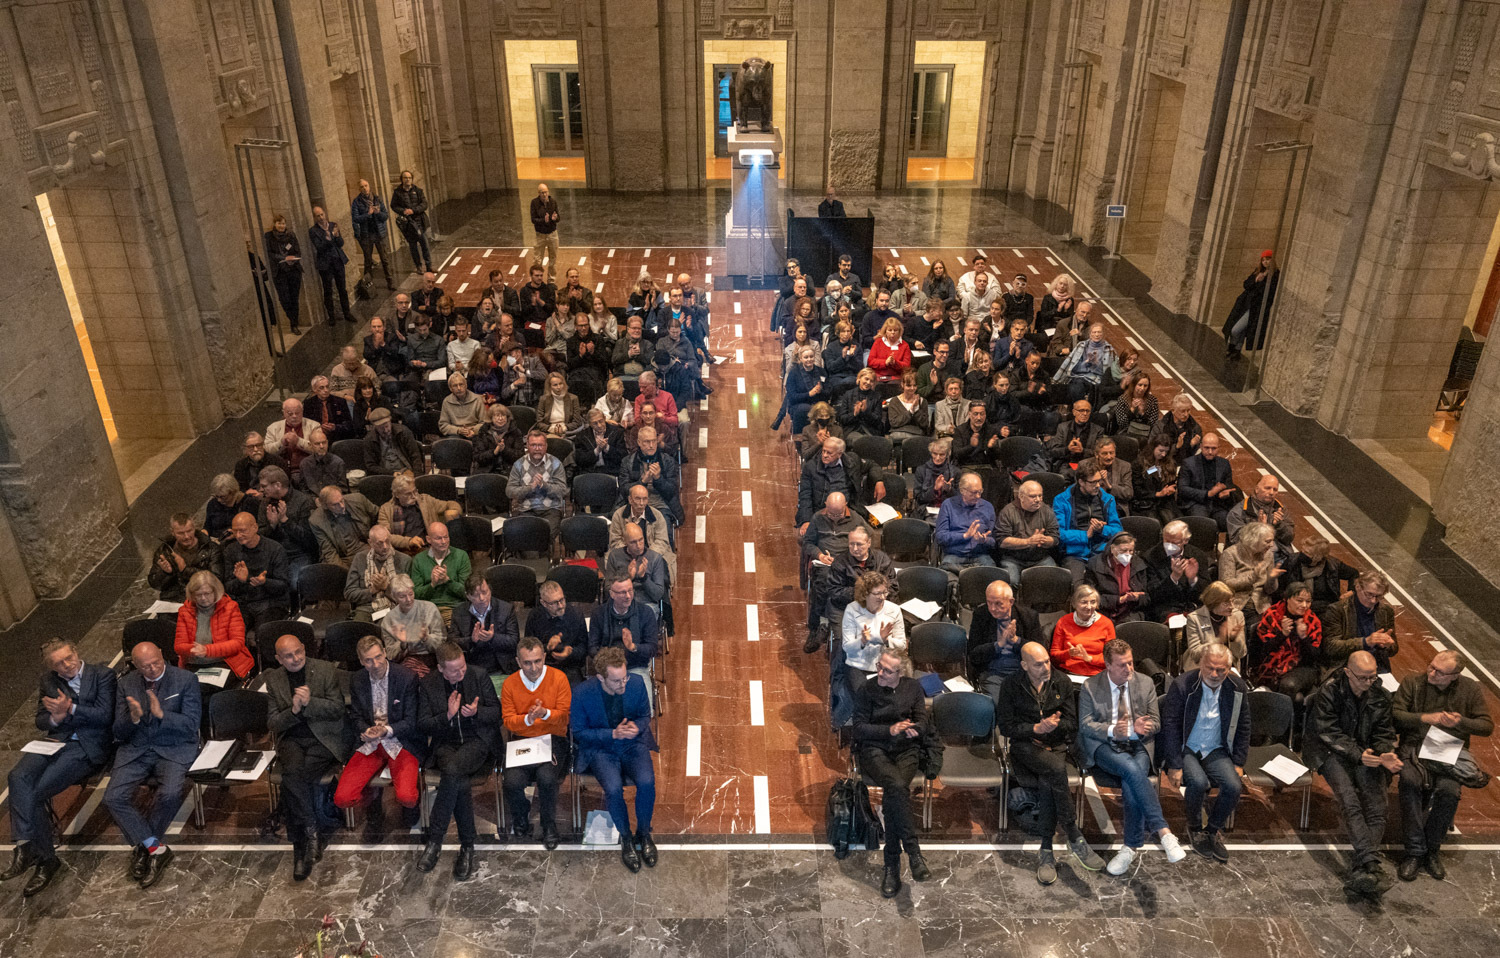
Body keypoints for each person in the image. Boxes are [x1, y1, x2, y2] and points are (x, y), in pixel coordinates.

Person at [2, 639, 117, 897]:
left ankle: (46, 860)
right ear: (51, 667)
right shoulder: (48, 681)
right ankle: (24, 844)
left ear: (76, 652)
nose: (66, 665)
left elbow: (104, 716)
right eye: (59, 664)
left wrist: (70, 708)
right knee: (17, 776)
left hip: (87, 744)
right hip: (57, 740)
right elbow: (40, 720)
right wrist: (55, 718)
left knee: (36, 792)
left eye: (68, 658)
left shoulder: (102, 675)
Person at [995, 641, 1104, 883]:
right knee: (1055, 768)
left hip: (1056, 745)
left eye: (1047, 661)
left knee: (1050, 777)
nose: (1045, 667)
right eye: (1038, 664)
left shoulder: (1061, 681)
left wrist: (1053, 726)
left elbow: (1072, 723)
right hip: (1026, 746)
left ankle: (1046, 849)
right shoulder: (1011, 685)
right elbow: (1007, 727)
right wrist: (1035, 728)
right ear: (1024, 666)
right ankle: (1073, 832)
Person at [1078, 638, 1187, 874]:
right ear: (1108, 665)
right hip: (1105, 745)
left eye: (1130, 663)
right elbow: (1085, 725)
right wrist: (1112, 730)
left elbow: (1156, 722)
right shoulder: (1090, 686)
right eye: (1122, 665)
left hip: (1139, 744)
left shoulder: (1145, 683)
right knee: (1132, 770)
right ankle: (1163, 831)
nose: (1129, 669)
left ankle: (1129, 847)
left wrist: (1142, 728)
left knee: (1131, 781)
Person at [1304, 651, 1402, 899]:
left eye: (1372, 677)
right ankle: (1370, 863)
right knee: (1350, 801)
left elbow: (1383, 732)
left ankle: (1364, 867)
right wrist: (1359, 754)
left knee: (1377, 806)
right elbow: (1327, 731)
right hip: (1330, 751)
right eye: (1363, 678)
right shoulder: (1329, 691)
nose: (1369, 682)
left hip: (1365, 751)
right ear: (1348, 673)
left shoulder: (1381, 695)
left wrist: (1385, 752)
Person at [103, 641, 200, 889]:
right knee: (113, 797)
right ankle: (154, 848)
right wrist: (133, 718)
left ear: (162, 655)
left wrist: (162, 715)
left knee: (170, 794)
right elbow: (118, 730)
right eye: (145, 666)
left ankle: (145, 847)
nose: (153, 669)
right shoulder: (126, 684)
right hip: (136, 749)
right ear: (135, 665)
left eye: (156, 662)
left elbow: (191, 725)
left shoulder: (186, 680)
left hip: (173, 747)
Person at [1393, 650, 1494, 882]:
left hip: (1447, 748)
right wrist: (1425, 718)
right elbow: (1396, 715)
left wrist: (1461, 721)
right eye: (1431, 666)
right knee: (1410, 782)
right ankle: (1415, 851)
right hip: (1415, 745)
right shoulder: (1413, 682)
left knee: (1449, 791)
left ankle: (1432, 849)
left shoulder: (1469, 688)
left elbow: (1486, 726)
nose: (1432, 673)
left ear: (1455, 676)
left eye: (1440, 672)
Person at [850, 649, 941, 897]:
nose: (880, 672)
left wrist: (915, 729)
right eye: (879, 666)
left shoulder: (912, 688)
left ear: (900, 673)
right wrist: (889, 730)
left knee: (895, 792)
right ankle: (913, 851)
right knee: (897, 787)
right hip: (875, 749)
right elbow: (858, 729)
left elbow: (922, 720)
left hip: (906, 750)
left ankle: (892, 865)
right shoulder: (866, 690)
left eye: (887, 671)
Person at [265, 634, 349, 880]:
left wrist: (310, 703)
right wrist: (293, 710)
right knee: (293, 775)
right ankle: (312, 831)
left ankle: (300, 847)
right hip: (292, 738)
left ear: (304, 648)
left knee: (292, 781)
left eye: (298, 652)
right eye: (288, 656)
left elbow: (337, 709)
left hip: (323, 738)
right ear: (279, 659)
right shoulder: (274, 679)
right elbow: (273, 723)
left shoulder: (324, 669)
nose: (295, 658)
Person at [1159, 644, 1251, 863]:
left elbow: (1244, 724)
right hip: (1187, 747)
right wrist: (1174, 764)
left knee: (1233, 786)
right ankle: (1194, 827)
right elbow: (1170, 725)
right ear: (1200, 663)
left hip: (1216, 748)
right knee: (1199, 782)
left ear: (1229, 669)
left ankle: (1211, 830)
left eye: (1221, 670)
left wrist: (1238, 762)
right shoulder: (1183, 685)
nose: (1214, 674)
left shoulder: (1237, 688)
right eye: (1210, 668)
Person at [417, 642, 500, 881]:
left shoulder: (479, 675)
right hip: (446, 743)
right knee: (458, 780)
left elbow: (497, 713)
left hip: (477, 741)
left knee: (452, 771)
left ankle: (435, 841)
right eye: (454, 671)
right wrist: (448, 716)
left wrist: (476, 712)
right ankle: (467, 846)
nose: (461, 673)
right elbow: (422, 724)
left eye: (462, 667)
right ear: (441, 669)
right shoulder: (428, 683)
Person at [572, 647, 658, 870]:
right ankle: (626, 837)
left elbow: (644, 715)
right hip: (602, 749)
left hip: (632, 744)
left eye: (625, 677)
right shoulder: (582, 693)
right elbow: (579, 733)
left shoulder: (636, 683)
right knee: (613, 788)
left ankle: (643, 833)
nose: (623, 684)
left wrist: (636, 727)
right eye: (617, 681)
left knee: (647, 782)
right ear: (601, 678)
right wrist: (612, 734)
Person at [335, 636, 422, 836]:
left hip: (400, 741)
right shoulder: (357, 679)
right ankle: (372, 802)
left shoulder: (406, 677)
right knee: (343, 798)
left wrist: (387, 730)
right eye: (368, 660)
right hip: (371, 743)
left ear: (385, 652)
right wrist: (365, 730)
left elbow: (412, 721)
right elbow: (356, 716)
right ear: (361, 661)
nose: (375, 664)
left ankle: (410, 806)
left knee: (407, 797)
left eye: (378, 657)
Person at [501, 637, 572, 848]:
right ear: (518, 661)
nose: (533, 668)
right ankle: (521, 816)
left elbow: (564, 717)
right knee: (511, 782)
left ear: (544, 657)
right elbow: (508, 721)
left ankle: (549, 824)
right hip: (522, 741)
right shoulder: (510, 683)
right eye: (527, 663)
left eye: (538, 661)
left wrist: (545, 713)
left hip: (552, 739)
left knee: (547, 778)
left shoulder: (559, 678)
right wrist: (528, 719)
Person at [811, 525, 893, 653]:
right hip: (843, 607)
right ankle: (839, 666)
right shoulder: (840, 562)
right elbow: (834, 591)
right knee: (843, 642)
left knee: (887, 639)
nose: (854, 548)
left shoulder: (882, 560)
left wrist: (875, 601)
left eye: (859, 544)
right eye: (851, 544)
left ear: (869, 543)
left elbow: (892, 586)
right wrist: (863, 594)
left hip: (876, 607)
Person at [588, 577, 661, 707]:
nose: (628, 596)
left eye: (630, 590)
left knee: (645, 708)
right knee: (597, 709)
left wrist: (633, 647)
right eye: (622, 592)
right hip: (607, 669)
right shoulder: (599, 613)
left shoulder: (645, 613)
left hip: (635, 667)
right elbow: (592, 647)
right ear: (612, 594)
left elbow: (652, 648)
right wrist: (609, 659)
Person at [1250, 582, 1323, 706]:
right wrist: (1282, 634)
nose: (1304, 605)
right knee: (1295, 696)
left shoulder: (1312, 621)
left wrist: (1303, 638)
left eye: (1308, 601)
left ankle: (1281, 717)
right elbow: (1261, 652)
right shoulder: (1272, 615)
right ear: (1287, 599)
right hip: (1270, 665)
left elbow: (1313, 659)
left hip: (1303, 668)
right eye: (1299, 600)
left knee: (1288, 685)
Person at [173, 571, 254, 678]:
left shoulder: (230, 607)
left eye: (207, 593)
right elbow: (179, 646)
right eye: (198, 594)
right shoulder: (184, 611)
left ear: (215, 591)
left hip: (225, 661)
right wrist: (194, 650)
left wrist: (207, 650)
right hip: (195, 662)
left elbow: (237, 643)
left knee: (204, 686)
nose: (203, 598)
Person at [1053, 457, 1122, 582]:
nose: (1098, 485)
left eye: (1099, 481)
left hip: (1101, 551)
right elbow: (1058, 533)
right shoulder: (1062, 500)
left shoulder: (1107, 499)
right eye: (1093, 482)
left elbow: (1118, 530)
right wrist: (1086, 535)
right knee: (1078, 586)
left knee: (1108, 585)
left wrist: (1102, 529)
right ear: (1081, 482)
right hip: (1075, 553)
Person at [840, 571, 906, 702]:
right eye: (877, 593)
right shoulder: (852, 609)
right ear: (865, 594)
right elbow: (847, 647)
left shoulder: (894, 610)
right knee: (865, 699)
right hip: (859, 666)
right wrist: (862, 641)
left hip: (887, 666)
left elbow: (902, 645)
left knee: (892, 700)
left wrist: (886, 641)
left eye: (884, 592)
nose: (882, 597)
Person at [968, 579, 1042, 694]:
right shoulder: (981, 615)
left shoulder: (1028, 616)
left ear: (1011, 602)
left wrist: (1016, 640)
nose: (992, 608)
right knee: (1000, 702)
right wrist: (998, 645)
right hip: (993, 673)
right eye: (989, 603)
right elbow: (973, 654)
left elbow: (1040, 652)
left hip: (1024, 672)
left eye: (998, 603)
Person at [1320, 571, 1399, 677]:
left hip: (1376, 667)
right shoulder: (1337, 610)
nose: (1373, 600)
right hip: (1345, 667)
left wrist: (1386, 646)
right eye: (1369, 594)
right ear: (1358, 587)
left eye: (1379, 596)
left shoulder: (1386, 611)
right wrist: (1365, 642)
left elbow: (1394, 649)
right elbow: (1331, 647)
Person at [222, 512, 291, 632]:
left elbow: (283, 585)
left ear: (255, 528)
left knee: (263, 632)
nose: (238, 535)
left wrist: (265, 582)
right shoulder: (231, 551)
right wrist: (240, 581)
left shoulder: (275, 549)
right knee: (234, 632)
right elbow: (227, 587)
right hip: (244, 602)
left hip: (271, 602)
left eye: (242, 531)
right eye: (235, 531)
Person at [1140, 520, 1215, 624]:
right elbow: (1152, 594)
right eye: (1167, 541)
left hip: (1192, 605)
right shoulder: (1149, 557)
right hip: (1165, 607)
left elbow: (1207, 591)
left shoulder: (1197, 555)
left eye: (1175, 543)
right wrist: (1173, 578)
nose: (1170, 546)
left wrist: (1193, 579)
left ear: (1185, 541)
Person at [253, 466, 319, 575]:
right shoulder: (265, 503)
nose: (260, 490)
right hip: (273, 554)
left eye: (264, 486)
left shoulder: (304, 502)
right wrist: (272, 526)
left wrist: (285, 521)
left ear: (278, 485)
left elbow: (309, 540)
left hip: (298, 555)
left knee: (296, 581)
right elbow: (260, 535)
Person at [996, 479, 1060, 587]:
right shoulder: (1008, 512)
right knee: (1011, 581)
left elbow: (1055, 538)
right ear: (1021, 496)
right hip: (1013, 559)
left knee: (1053, 579)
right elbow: (1002, 541)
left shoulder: (1047, 511)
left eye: (1040, 496)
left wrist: (1045, 540)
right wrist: (1028, 542)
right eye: (1033, 496)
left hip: (1040, 558)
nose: (1038, 500)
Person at [526, 580, 590, 685]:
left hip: (570, 666)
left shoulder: (576, 614)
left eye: (562, 600)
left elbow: (584, 647)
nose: (560, 605)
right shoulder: (535, 616)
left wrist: (570, 653)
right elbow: (528, 649)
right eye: (554, 603)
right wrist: (547, 648)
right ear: (543, 603)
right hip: (543, 666)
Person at [377, 473, 461, 553]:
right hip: (402, 551)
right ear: (397, 495)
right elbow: (385, 536)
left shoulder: (425, 500)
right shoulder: (386, 509)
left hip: (427, 547)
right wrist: (408, 542)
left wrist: (454, 509)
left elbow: (450, 504)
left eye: (415, 491)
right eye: (408, 494)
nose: (414, 496)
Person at [147, 513, 221, 603]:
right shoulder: (164, 550)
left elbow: (216, 580)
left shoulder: (210, 548)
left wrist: (185, 570)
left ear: (194, 528)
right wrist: (165, 573)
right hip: (173, 599)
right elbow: (154, 584)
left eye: (189, 531)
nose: (186, 536)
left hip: (203, 597)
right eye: (181, 533)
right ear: (172, 532)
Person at [619, 425, 683, 524]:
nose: (651, 445)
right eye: (647, 442)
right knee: (625, 527)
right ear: (639, 442)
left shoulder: (667, 461)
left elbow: (672, 491)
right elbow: (624, 490)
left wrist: (658, 479)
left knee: (664, 526)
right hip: (635, 505)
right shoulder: (627, 462)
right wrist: (642, 482)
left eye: (654, 441)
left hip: (660, 504)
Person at [345, 525, 411, 621]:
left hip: (393, 608)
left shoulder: (404, 560)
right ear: (370, 543)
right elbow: (349, 593)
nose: (385, 546)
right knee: (357, 628)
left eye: (387, 541)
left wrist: (386, 587)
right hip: (366, 609)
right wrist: (372, 591)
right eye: (380, 543)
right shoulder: (360, 559)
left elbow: (408, 597)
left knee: (385, 626)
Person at [1283, 535, 1359, 617]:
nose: (1302, 554)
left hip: (1324, 609)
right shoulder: (1291, 561)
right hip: (1296, 606)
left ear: (1318, 556)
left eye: (1307, 553)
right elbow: (1281, 587)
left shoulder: (1333, 565)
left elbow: (1354, 574)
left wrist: (1351, 591)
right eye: (1303, 550)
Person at [935, 472, 996, 573]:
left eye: (980, 491)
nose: (978, 496)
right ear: (962, 490)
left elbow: (994, 541)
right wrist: (964, 536)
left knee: (994, 576)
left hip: (980, 556)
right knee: (947, 578)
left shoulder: (987, 507)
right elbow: (940, 537)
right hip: (954, 556)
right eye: (974, 492)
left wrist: (984, 540)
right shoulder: (948, 505)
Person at [1219, 521, 1282, 619]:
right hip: (1236, 606)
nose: (1272, 545)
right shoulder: (1230, 554)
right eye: (1268, 541)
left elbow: (1269, 591)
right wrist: (1253, 577)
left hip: (1261, 607)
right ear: (1254, 540)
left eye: (1272, 541)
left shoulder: (1268, 554)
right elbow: (1226, 585)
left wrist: (1272, 579)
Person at [1222, 250, 1278, 357]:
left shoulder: (1275, 275)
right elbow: (1246, 284)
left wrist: (1262, 280)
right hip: (1245, 303)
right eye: (1263, 260)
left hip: (1256, 307)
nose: (1265, 262)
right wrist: (1256, 280)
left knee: (1236, 330)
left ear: (1272, 260)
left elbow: (1268, 293)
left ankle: (1232, 347)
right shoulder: (1258, 271)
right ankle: (1236, 350)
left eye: (1268, 259)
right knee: (1240, 328)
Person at [1182, 581, 1247, 671]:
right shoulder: (1194, 618)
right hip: (1201, 667)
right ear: (1213, 603)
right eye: (1226, 603)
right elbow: (1195, 654)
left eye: (1232, 601)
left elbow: (1241, 654)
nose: (1232, 606)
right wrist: (1219, 639)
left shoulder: (1237, 616)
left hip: (1227, 667)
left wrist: (1234, 639)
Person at [1085, 532, 1150, 623]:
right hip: (1104, 611)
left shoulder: (1139, 564)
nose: (1128, 554)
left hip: (1130, 611)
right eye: (1123, 551)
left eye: (1131, 551)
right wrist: (1119, 600)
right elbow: (1089, 597)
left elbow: (1147, 597)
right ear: (1112, 549)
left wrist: (1137, 598)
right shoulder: (1095, 564)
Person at [1178, 433, 1237, 530]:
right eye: (1206, 448)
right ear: (1201, 446)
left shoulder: (1224, 464)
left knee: (1231, 522)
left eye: (1213, 448)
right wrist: (1207, 494)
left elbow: (1228, 485)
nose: (1210, 452)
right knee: (1203, 524)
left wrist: (1226, 493)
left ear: (1218, 448)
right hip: (1196, 503)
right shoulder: (1188, 463)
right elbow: (1182, 489)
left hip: (1217, 504)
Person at [411, 521, 470, 617]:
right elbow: (415, 595)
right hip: (428, 610)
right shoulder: (419, 559)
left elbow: (467, 592)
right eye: (438, 538)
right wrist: (432, 585)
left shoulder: (461, 556)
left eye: (446, 537)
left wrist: (447, 581)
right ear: (428, 539)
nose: (443, 542)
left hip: (454, 608)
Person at [604, 522, 671, 605]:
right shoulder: (615, 556)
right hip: (621, 602)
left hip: (646, 603)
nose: (638, 545)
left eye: (641, 540)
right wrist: (629, 578)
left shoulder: (655, 558)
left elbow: (657, 595)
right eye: (633, 542)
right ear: (625, 542)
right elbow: (608, 590)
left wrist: (643, 578)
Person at [307, 205, 354, 324]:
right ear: (315, 217)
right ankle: (331, 316)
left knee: (342, 289)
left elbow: (340, 243)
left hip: (337, 260)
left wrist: (336, 236)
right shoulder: (313, 231)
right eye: (318, 216)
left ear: (325, 213)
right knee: (328, 290)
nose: (321, 217)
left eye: (322, 214)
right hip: (325, 264)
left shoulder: (333, 225)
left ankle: (347, 313)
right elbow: (319, 247)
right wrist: (328, 239)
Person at [309, 486, 377, 566]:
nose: (342, 506)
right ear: (325, 506)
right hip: (343, 557)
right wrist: (344, 571)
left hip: (366, 548)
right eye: (335, 504)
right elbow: (330, 553)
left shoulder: (358, 500)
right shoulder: (316, 521)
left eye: (342, 500)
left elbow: (379, 516)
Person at [1226, 473, 1294, 552]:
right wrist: (1258, 528)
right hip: (1250, 554)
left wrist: (1280, 525)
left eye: (1275, 489)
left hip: (1279, 553)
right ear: (1257, 489)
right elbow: (1237, 541)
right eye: (1267, 488)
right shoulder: (1238, 512)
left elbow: (1289, 539)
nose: (1271, 492)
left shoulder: (1281, 510)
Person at [350, 179, 394, 290]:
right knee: (368, 261)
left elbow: (385, 216)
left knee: (385, 259)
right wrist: (368, 214)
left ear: (369, 186)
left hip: (379, 233)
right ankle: (369, 286)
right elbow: (355, 218)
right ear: (359, 189)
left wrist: (378, 213)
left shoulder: (377, 199)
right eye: (362, 187)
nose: (364, 188)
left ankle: (390, 281)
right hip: (366, 234)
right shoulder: (357, 202)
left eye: (366, 185)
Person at [264, 213, 305, 330]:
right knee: (284, 299)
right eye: (279, 223)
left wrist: (292, 259)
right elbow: (270, 254)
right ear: (274, 224)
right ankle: (292, 319)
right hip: (279, 272)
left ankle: (294, 324)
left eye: (283, 223)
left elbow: (298, 251)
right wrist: (283, 258)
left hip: (293, 270)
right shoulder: (268, 237)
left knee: (294, 298)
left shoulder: (291, 235)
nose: (282, 226)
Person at [361, 407, 425, 475]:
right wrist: (391, 473)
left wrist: (416, 475)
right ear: (375, 427)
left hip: (406, 471)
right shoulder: (369, 439)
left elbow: (415, 456)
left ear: (390, 421)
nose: (386, 430)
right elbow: (371, 465)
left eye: (387, 426)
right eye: (381, 428)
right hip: (384, 474)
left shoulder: (403, 432)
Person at [390, 169, 432, 272]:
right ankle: (418, 267)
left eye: (409, 178)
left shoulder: (418, 191)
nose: (408, 180)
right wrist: (403, 211)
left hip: (419, 222)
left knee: (425, 245)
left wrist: (413, 210)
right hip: (408, 224)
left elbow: (424, 204)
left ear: (412, 179)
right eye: (405, 178)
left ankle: (429, 266)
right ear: (402, 179)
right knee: (413, 246)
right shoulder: (397, 192)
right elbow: (394, 206)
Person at [1046, 399, 1103, 473]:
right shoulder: (1063, 427)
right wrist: (1068, 449)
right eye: (1081, 410)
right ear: (1074, 412)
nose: (1085, 413)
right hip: (1065, 464)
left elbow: (1099, 454)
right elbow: (1054, 451)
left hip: (1087, 465)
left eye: (1087, 411)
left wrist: (1082, 450)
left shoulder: (1098, 430)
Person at [299, 429, 349, 497]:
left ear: (327, 442)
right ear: (310, 445)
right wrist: (314, 500)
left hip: (334, 499)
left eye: (324, 443)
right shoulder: (305, 464)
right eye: (317, 444)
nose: (321, 446)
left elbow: (343, 489)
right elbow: (303, 490)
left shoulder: (338, 463)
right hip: (312, 500)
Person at [912, 437, 958, 510]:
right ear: (931, 453)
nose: (937, 458)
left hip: (949, 509)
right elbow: (918, 498)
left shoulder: (955, 472)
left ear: (947, 455)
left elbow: (960, 499)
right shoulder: (921, 470)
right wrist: (934, 489)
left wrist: (949, 489)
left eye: (942, 454)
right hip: (926, 509)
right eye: (935, 454)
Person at [529, 182, 560, 279]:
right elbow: (533, 219)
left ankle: (551, 280)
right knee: (537, 260)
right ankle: (537, 279)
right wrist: (543, 220)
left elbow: (558, 217)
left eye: (546, 192)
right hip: (540, 235)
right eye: (542, 192)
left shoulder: (553, 202)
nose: (545, 194)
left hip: (552, 234)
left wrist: (555, 218)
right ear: (539, 193)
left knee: (553, 259)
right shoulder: (534, 203)